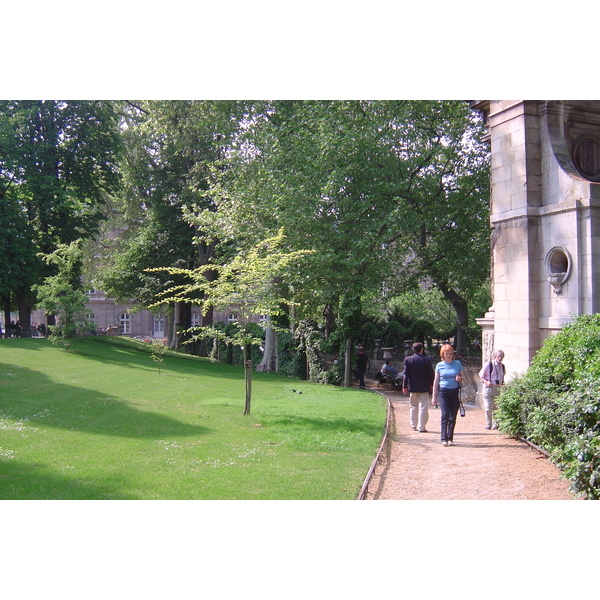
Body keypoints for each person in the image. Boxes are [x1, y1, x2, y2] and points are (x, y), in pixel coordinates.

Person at [432, 343, 464, 446]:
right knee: (444, 415)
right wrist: (434, 396)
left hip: (454, 392)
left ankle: (450, 438)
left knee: (452, 416)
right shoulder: (439, 365)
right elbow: (436, 381)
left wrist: (459, 379)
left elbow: (463, 378)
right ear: (443, 354)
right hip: (444, 392)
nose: (449, 355)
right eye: (446, 354)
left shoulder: (457, 364)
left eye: (450, 353)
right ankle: (443, 438)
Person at [403, 342, 435, 433]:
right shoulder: (426, 360)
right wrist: (432, 384)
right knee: (423, 407)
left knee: (413, 406)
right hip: (424, 387)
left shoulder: (408, 360)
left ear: (413, 350)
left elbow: (406, 374)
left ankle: (413, 425)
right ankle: (421, 426)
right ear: (421, 349)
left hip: (413, 386)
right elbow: (430, 374)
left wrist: (404, 386)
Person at [479, 350, 506, 430]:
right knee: (488, 407)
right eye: (498, 356)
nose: (500, 358)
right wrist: (486, 382)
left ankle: (496, 423)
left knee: (496, 407)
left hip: (497, 387)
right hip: (489, 387)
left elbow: (502, 376)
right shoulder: (489, 365)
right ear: (495, 356)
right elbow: (481, 375)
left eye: (501, 356)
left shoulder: (502, 367)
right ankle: (488, 423)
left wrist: (502, 383)